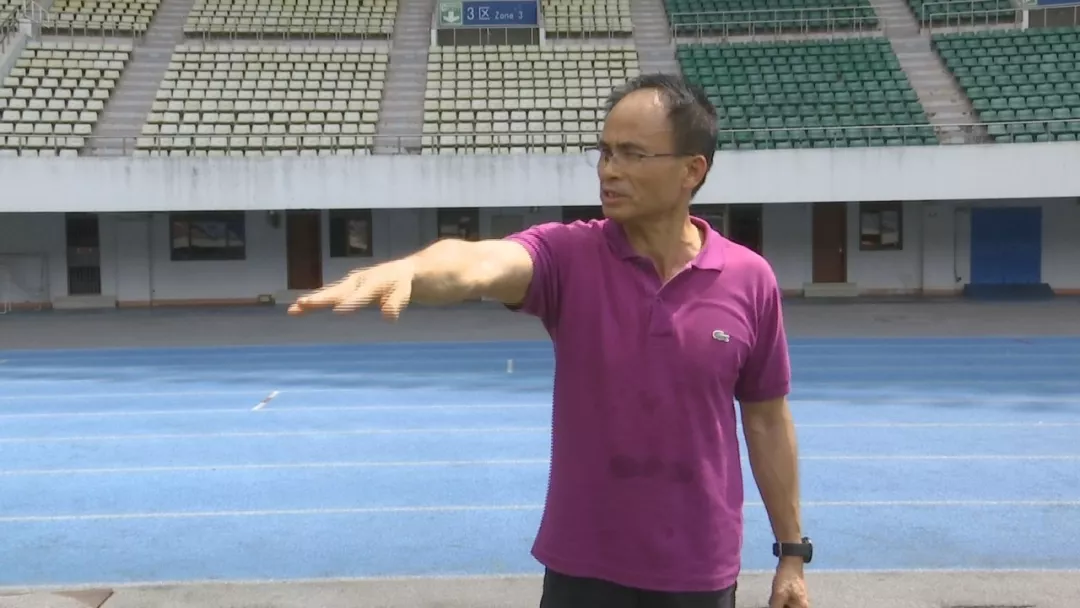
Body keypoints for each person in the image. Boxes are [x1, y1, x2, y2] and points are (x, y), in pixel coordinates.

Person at [288, 73, 811, 608]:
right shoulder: (569, 255)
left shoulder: (749, 279)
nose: (609, 170)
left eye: (632, 154)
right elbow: (479, 262)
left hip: (699, 571)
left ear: (691, 170)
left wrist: (792, 553)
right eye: (604, 152)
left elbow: (767, 421)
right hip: (582, 567)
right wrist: (412, 271)